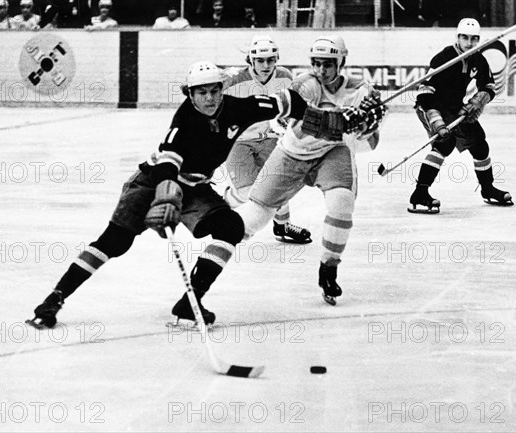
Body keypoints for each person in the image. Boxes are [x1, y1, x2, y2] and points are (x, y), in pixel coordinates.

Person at [28, 60, 362, 329]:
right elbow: (168, 161)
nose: (209, 99)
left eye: (214, 91)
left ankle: (191, 301)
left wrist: (327, 120)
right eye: (201, 93)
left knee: (230, 228)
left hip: (197, 189)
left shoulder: (237, 108)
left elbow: (289, 101)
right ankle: (54, 298)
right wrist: (165, 195)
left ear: (221, 90)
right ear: (190, 94)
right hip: (151, 183)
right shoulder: (184, 118)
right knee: (114, 242)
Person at [237, 35, 387, 306]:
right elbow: (299, 123)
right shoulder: (304, 84)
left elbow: (370, 141)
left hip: (332, 153)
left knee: (342, 202)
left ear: (341, 61)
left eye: (328, 64)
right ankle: (208, 267)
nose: (321, 70)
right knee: (254, 218)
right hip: (292, 154)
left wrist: (368, 125)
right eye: (316, 63)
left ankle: (329, 269)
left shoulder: (360, 88)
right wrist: (341, 120)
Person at [408, 18, 513, 214]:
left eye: (474, 39)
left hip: (455, 108)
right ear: (458, 37)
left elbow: (489, 87)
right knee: (444, 143)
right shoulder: (444, 58)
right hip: (431, 106)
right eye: (465, 37)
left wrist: (476, 103)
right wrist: (437, 123)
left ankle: (487, 189)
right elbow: (425, 93)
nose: (469, 43)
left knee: (479, 143)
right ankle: (420, 193)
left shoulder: (478, 59)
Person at [222, 35, 311, 244]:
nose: (266, 65)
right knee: (248, 195)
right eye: (260, 61)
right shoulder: (233, 79)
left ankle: (282, 225)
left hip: (271, 138)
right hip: (238, 142)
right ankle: (225, 201)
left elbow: (296, 107)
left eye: (270, 60)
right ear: (251, 61)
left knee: (280, 181)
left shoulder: (285, 77)